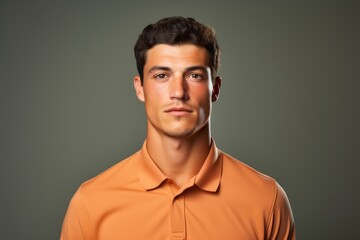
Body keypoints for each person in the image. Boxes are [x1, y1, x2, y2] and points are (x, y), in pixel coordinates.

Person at [60, 16, 295, 240]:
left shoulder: (266, 199)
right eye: (162, 75)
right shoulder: (90, 203)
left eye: (194, 75)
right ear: (140, 88)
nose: (179, 92)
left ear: (215, 89)